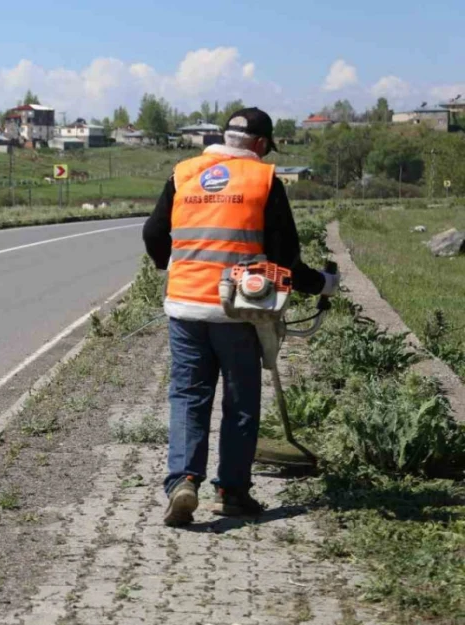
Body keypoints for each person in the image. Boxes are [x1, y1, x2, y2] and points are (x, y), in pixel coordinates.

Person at [141, 107, 339, 527]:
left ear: (223, 137)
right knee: (240, 402)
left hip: (186, 306)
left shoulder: (184, 174)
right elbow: (285, 261)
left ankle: (182, 481)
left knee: (189, 396)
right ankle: (232, 492)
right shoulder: (264, 181)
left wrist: (174, 265)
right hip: (240, 311)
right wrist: (323, 284)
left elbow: (154, 235)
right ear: (262, 144)